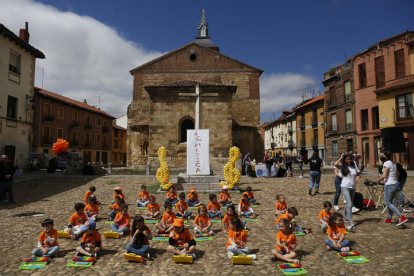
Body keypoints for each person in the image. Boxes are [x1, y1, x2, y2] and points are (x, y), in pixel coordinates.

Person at [378, 151, 408, 226]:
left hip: (390, 185)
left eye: (382, 155)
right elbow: (398, 174)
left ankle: (401, 216)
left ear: (386, 156)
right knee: (390, 202)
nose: (380, 156)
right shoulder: (393, 163)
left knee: (387, 203)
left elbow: (384, 175)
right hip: (395, 184)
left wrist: (378, 180)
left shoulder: (386, 163)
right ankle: (389, 218)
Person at [334, 153, 360, 230]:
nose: (348, 161)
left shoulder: (354, 166)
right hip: (345, 187)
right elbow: (335, 164)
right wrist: (341, 157)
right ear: (345, 160)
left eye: (350, 159)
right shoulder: (342, 167)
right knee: (349, 204)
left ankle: (343, 215)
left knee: (349, 203)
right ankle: (351, 222)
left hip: (353, 187)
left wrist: (358, 177)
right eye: (347, 159)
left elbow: (358, 173)